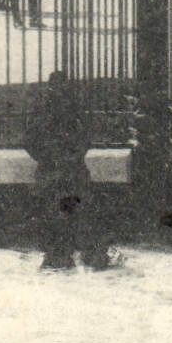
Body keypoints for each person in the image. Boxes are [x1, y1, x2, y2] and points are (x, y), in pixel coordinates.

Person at [24, 71, 117, 270]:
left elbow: (30, 140)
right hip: (70, 168)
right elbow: (84, 138)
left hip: (53, 169)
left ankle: (59, 257)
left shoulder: (42, 109)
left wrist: (46, 158)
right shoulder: (74, 109)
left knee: (55, 212)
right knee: (79, 212)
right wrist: (72, 157)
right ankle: (88, 256)